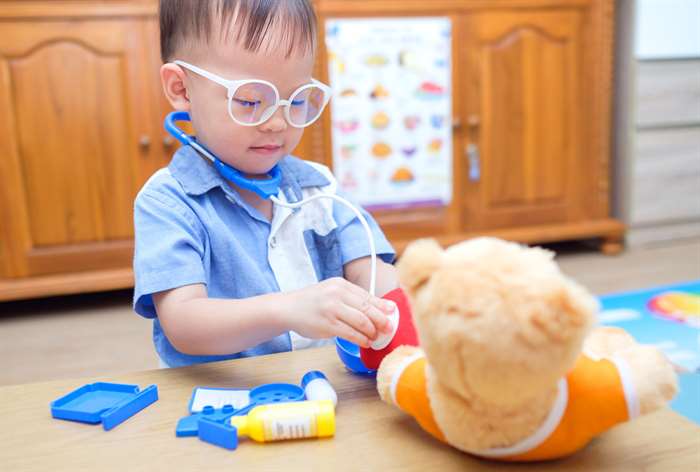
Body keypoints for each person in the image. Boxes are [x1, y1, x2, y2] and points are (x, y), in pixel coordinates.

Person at [133, 0, 398, 368]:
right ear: (182, 88)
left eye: (298, 100)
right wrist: (287, 309)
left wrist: (405, 306)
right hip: (221, 401)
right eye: (251, 100)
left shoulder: (317, 187)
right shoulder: (169, 201)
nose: (277, 122)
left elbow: (371, 271)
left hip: (315, 385)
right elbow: (183, 322)